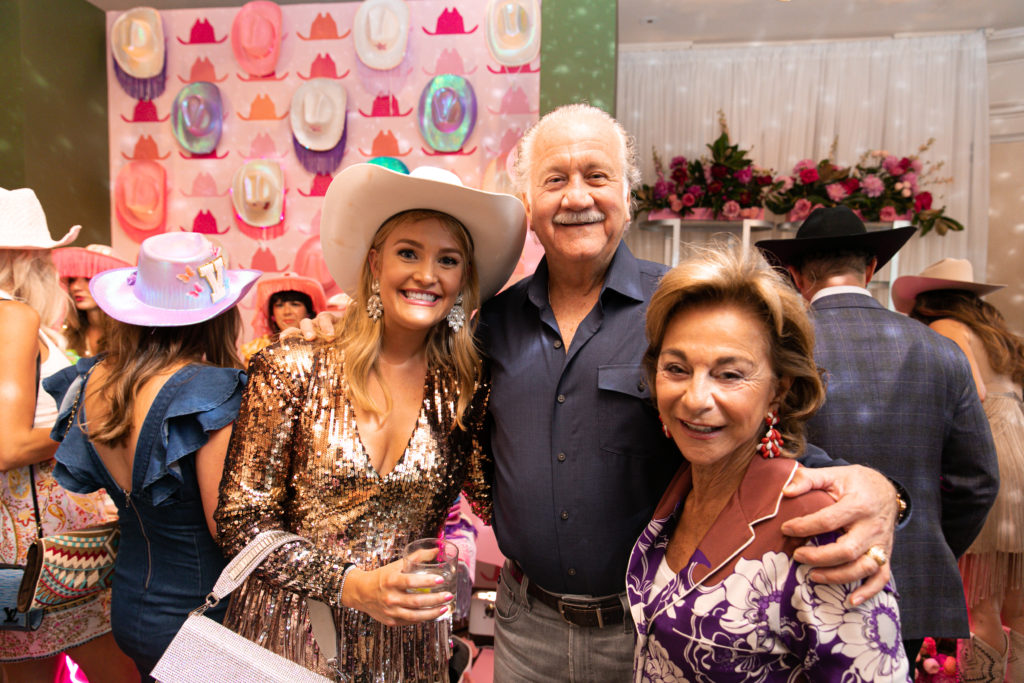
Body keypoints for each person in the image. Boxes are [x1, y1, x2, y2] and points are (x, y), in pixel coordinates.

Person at [477, 104, 907, 681]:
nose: (576, 196)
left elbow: (770, 435)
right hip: (524, 625)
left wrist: (883, 491)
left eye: (597, 176)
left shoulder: (679, 309)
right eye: (555, 179)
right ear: (528, 205)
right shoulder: (493, 322)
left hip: (646, 627)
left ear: (628, 198)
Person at [214, 164, 526, 681]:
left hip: (404, 651)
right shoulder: (295, 365)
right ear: (376, 262)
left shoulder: (466, 390)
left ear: (463, 280)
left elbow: (497, 499)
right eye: (409, 252)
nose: (427, 275)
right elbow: (242, 523)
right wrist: (353, 585)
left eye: (447, 260)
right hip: (289, 639)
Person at [627, 242, 910, 680]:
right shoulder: (680, 490)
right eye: (677, 369)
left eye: (730, 374)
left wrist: (887, 493)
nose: (696, 399)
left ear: (778, 391)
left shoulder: (821, 531)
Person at [756, 208, 999, 664]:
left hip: (800, 569)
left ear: (793, 274)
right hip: (911, 580)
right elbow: (978, 481)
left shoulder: (779, 349)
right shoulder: (942, 350)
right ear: (870, 268)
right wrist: (924, 539)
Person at [42, 232, 259, 679]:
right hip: (202, 617)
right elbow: (231, 531)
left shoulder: (95, 378)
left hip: (130, 605)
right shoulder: (212, 393)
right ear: (219, 315)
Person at [0, 187, 137, 682]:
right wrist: (86, 428)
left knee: (29, 668)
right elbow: (8, 445)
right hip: (39, 537)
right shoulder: (13, 316)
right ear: (25, 256)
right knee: (117, 671)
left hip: (23, 538)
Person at [893, 257, 1024, 681]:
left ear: (925, 298)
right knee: (1017, 602)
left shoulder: (944, 328)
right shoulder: (998, 335)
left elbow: (975, 393)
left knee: (978, 598)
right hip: (1020, 450)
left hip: (992, 453)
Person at [51, 243, 132, 361]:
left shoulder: (128, 336)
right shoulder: (67, 334)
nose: (75, 287)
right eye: (72, 280)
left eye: (88, 279)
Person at [239, 272, 327, 365]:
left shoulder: (324, 346)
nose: (287, 312)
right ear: (272, 314)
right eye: (279, 305)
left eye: (295, 304)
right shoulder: (257, 349)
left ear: (309, 311)